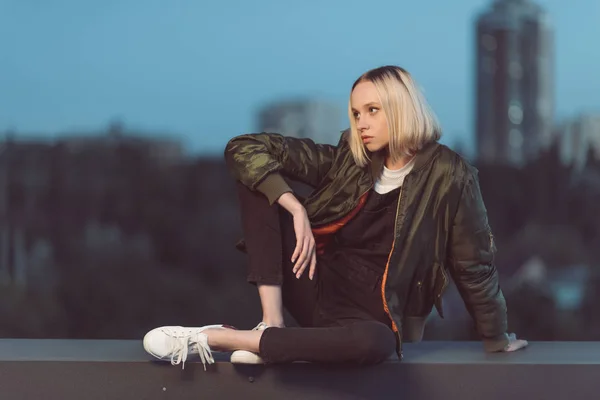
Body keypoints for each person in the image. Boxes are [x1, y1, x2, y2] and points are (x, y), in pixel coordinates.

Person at [142, 65, 528, 370]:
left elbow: (473, 264)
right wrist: (293, 205)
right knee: (257, 180)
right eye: (356, 113)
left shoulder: (449, 174)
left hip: (370, 320)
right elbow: (245, 148)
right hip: (313, 285)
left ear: (402, 109)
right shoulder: (349, 158)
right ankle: (271, 324)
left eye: (373, 111)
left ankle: (221, 339)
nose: (361, 123)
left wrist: (496, 336)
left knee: (375, 345)